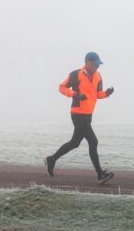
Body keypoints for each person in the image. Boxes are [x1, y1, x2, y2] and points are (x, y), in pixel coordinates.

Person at [44, 51, 115, 184]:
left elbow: (97, 94)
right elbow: (61, 87)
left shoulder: (98, 76)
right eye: (95, 64)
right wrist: (74, 94)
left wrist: (107, 93)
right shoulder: (76, 74)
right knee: (93, 142)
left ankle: (51, 159)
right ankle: (100, 174)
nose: (97, 67)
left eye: (99, 64)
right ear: (87, 62)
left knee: (75, 142)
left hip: (88, 114)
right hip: (77, 114)